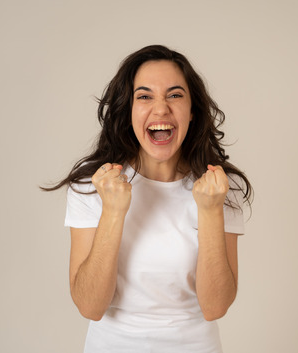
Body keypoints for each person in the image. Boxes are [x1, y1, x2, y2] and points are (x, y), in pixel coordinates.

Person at [43, 45, 252, 352]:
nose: (161, 109)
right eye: (144, 96)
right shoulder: (93, 185)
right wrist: (112, 211)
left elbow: (215, 307)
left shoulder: (221, 188)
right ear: (128, 110)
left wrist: (210, 211)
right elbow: (90, 307)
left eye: (175, 95)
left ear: (192, 111)